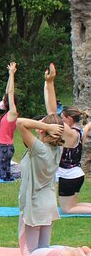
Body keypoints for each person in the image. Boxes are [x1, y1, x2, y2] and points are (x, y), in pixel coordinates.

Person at [15, 63, 91, 256]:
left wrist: (43, 124)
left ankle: (71, 253)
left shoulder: (40, 149)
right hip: (47, 203)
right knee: (44, 248)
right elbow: (52, 113)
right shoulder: (59, 148)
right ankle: (73, 250)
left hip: (35, 204)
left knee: (29, 252)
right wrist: (48, 84)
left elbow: (21, 122)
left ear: (43, 130)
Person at [44, 65, 91, 214]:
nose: (60, 120)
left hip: (70, 176)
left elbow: (51, 112)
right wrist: (47, 84)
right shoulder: (80, 131)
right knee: (73, 204)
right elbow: (88, 126)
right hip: (76, 175)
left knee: (68, 209)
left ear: (69, 119)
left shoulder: (70, 133)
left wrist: (50, 83)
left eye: (63, 118)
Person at [0, 62, 18, 181]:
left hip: (6, 146)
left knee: (5, 177)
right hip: (1, 145)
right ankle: (16, 170)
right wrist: (10, 75)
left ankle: (20, 171)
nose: (2, 102)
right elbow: (7, 92)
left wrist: (12, 74)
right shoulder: (6, 114)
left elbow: (10, 93)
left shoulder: (12, 113)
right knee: (2, 172)